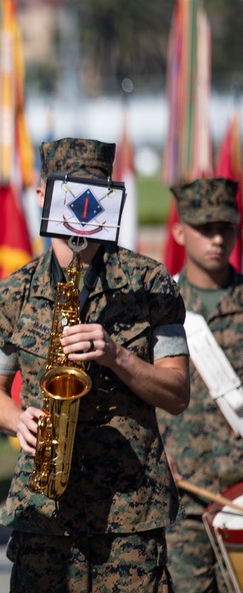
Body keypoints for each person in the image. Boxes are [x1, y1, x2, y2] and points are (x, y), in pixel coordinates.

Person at [0, 137, 191, 592]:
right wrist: (18, 419)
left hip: (129, 519)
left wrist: (118, 356)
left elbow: (178, 394)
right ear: (41, 197)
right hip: (44, 514)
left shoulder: (152, 285)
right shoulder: (8, 295)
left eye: (95, 198)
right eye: (70, 197)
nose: (84, 211)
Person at [157, 177, 243, 593]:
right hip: (184, 498)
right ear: (179, 231)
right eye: (204, 228)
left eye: (225, 227)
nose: (216, 238)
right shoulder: (158, 308)